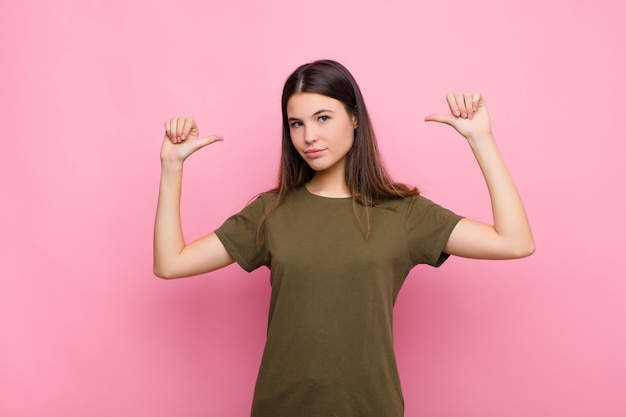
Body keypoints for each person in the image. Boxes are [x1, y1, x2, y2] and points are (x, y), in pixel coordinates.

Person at [153, 59, 534, 417]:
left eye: (322, 118)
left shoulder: (403, 212)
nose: (309, 136)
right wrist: (171, 167)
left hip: (370, 407)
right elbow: (171, 263)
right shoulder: (272, 212)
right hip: (282, 406)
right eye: (296, 123)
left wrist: (481, 139)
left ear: (354, 118)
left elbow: (515, 242)